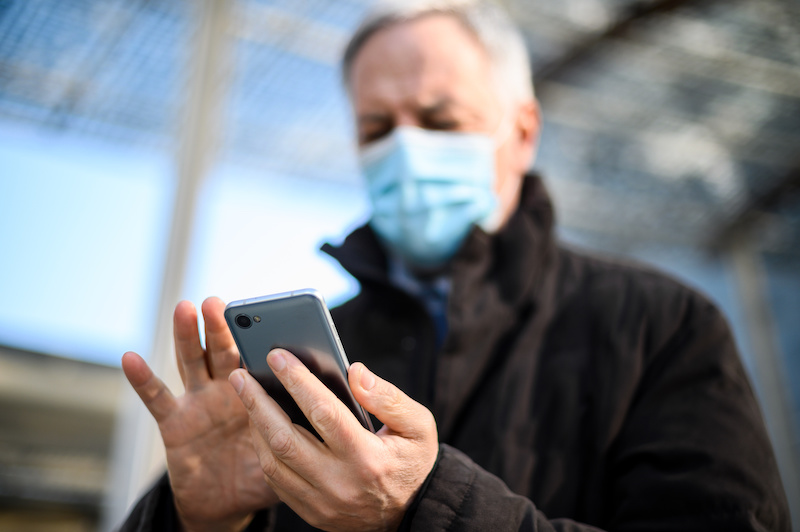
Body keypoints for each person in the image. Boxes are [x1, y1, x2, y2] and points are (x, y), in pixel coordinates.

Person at [119, 1, 791, 530]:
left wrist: (424, 509)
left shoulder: (660, 325)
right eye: (377, 129)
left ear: (522, 133)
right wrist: (198, 521)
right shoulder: (307, 357)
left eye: (439, 121)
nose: (406, 148)